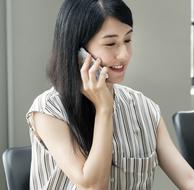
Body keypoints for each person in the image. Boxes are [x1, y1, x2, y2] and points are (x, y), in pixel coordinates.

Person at [26, 0, 194, 189]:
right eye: (110, 43)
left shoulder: (144, 108)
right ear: (79, 51)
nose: (123, 54)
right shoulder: (48, 111)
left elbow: (188, 179)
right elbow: (94, 186)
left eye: (128, 40)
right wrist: (104, 109)